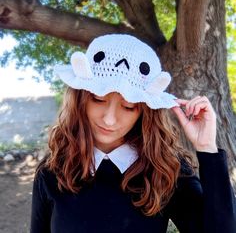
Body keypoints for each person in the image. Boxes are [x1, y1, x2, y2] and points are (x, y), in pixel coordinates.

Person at [30, 34, 236, 233]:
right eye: (98, 99)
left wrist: (207, 148)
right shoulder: (52, 170)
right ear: (80, 99)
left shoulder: (165, 169)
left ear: (145, 112)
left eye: (128, 107)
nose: (109, 119)